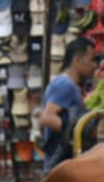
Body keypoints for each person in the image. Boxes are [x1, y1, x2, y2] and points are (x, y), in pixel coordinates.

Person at [39, 37, 96, 173]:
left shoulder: (71, 86)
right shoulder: (64, 85)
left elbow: (42, 124)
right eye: (92, 60)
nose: (95, 65)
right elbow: (46, 118)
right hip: (59, 165)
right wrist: (79, 134)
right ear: (77, 60)